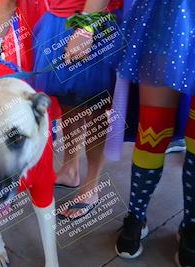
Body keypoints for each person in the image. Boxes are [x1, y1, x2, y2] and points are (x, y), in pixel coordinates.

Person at [0, 0, 122, 220]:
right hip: (57, 23)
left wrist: (86, 27)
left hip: (93, 20)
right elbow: (8, 3)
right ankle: (70, 169)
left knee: (95, 103)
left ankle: (91, 186)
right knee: (68, 100)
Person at [98, 0, 195, 264]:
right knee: (152, 132)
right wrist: (84, 23)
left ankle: (192, 226)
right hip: (166, 17)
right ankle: (136, 215)